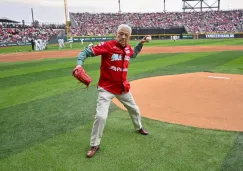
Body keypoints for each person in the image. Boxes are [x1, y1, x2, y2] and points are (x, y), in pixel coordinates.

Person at [74, 24, 150, 158]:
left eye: (126, 35)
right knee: (101, 116)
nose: (123, 36)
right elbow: (85, 52)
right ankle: (94, 145)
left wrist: (141, 43)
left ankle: (138, 127)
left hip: (122, 88)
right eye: (121, 33)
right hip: (106, 88)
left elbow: (134, 54)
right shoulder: (108, 46)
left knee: (135, 109)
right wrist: (79, 64)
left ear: (129, 37)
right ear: (116, 33)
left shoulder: (127, 49)